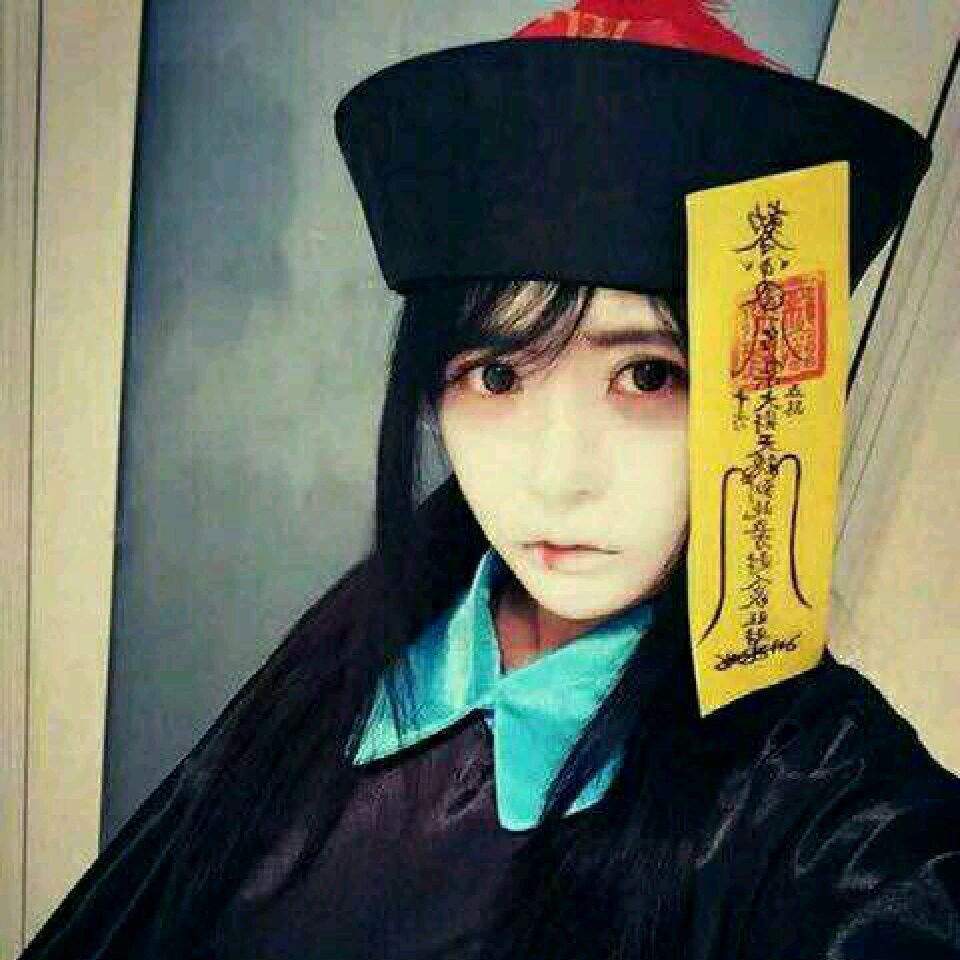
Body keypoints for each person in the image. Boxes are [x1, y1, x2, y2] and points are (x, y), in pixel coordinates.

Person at [19, 2, 960, 958]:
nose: (556, 477)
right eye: (498, 375)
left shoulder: (815, 791)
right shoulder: (379, 629)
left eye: (648, 375)